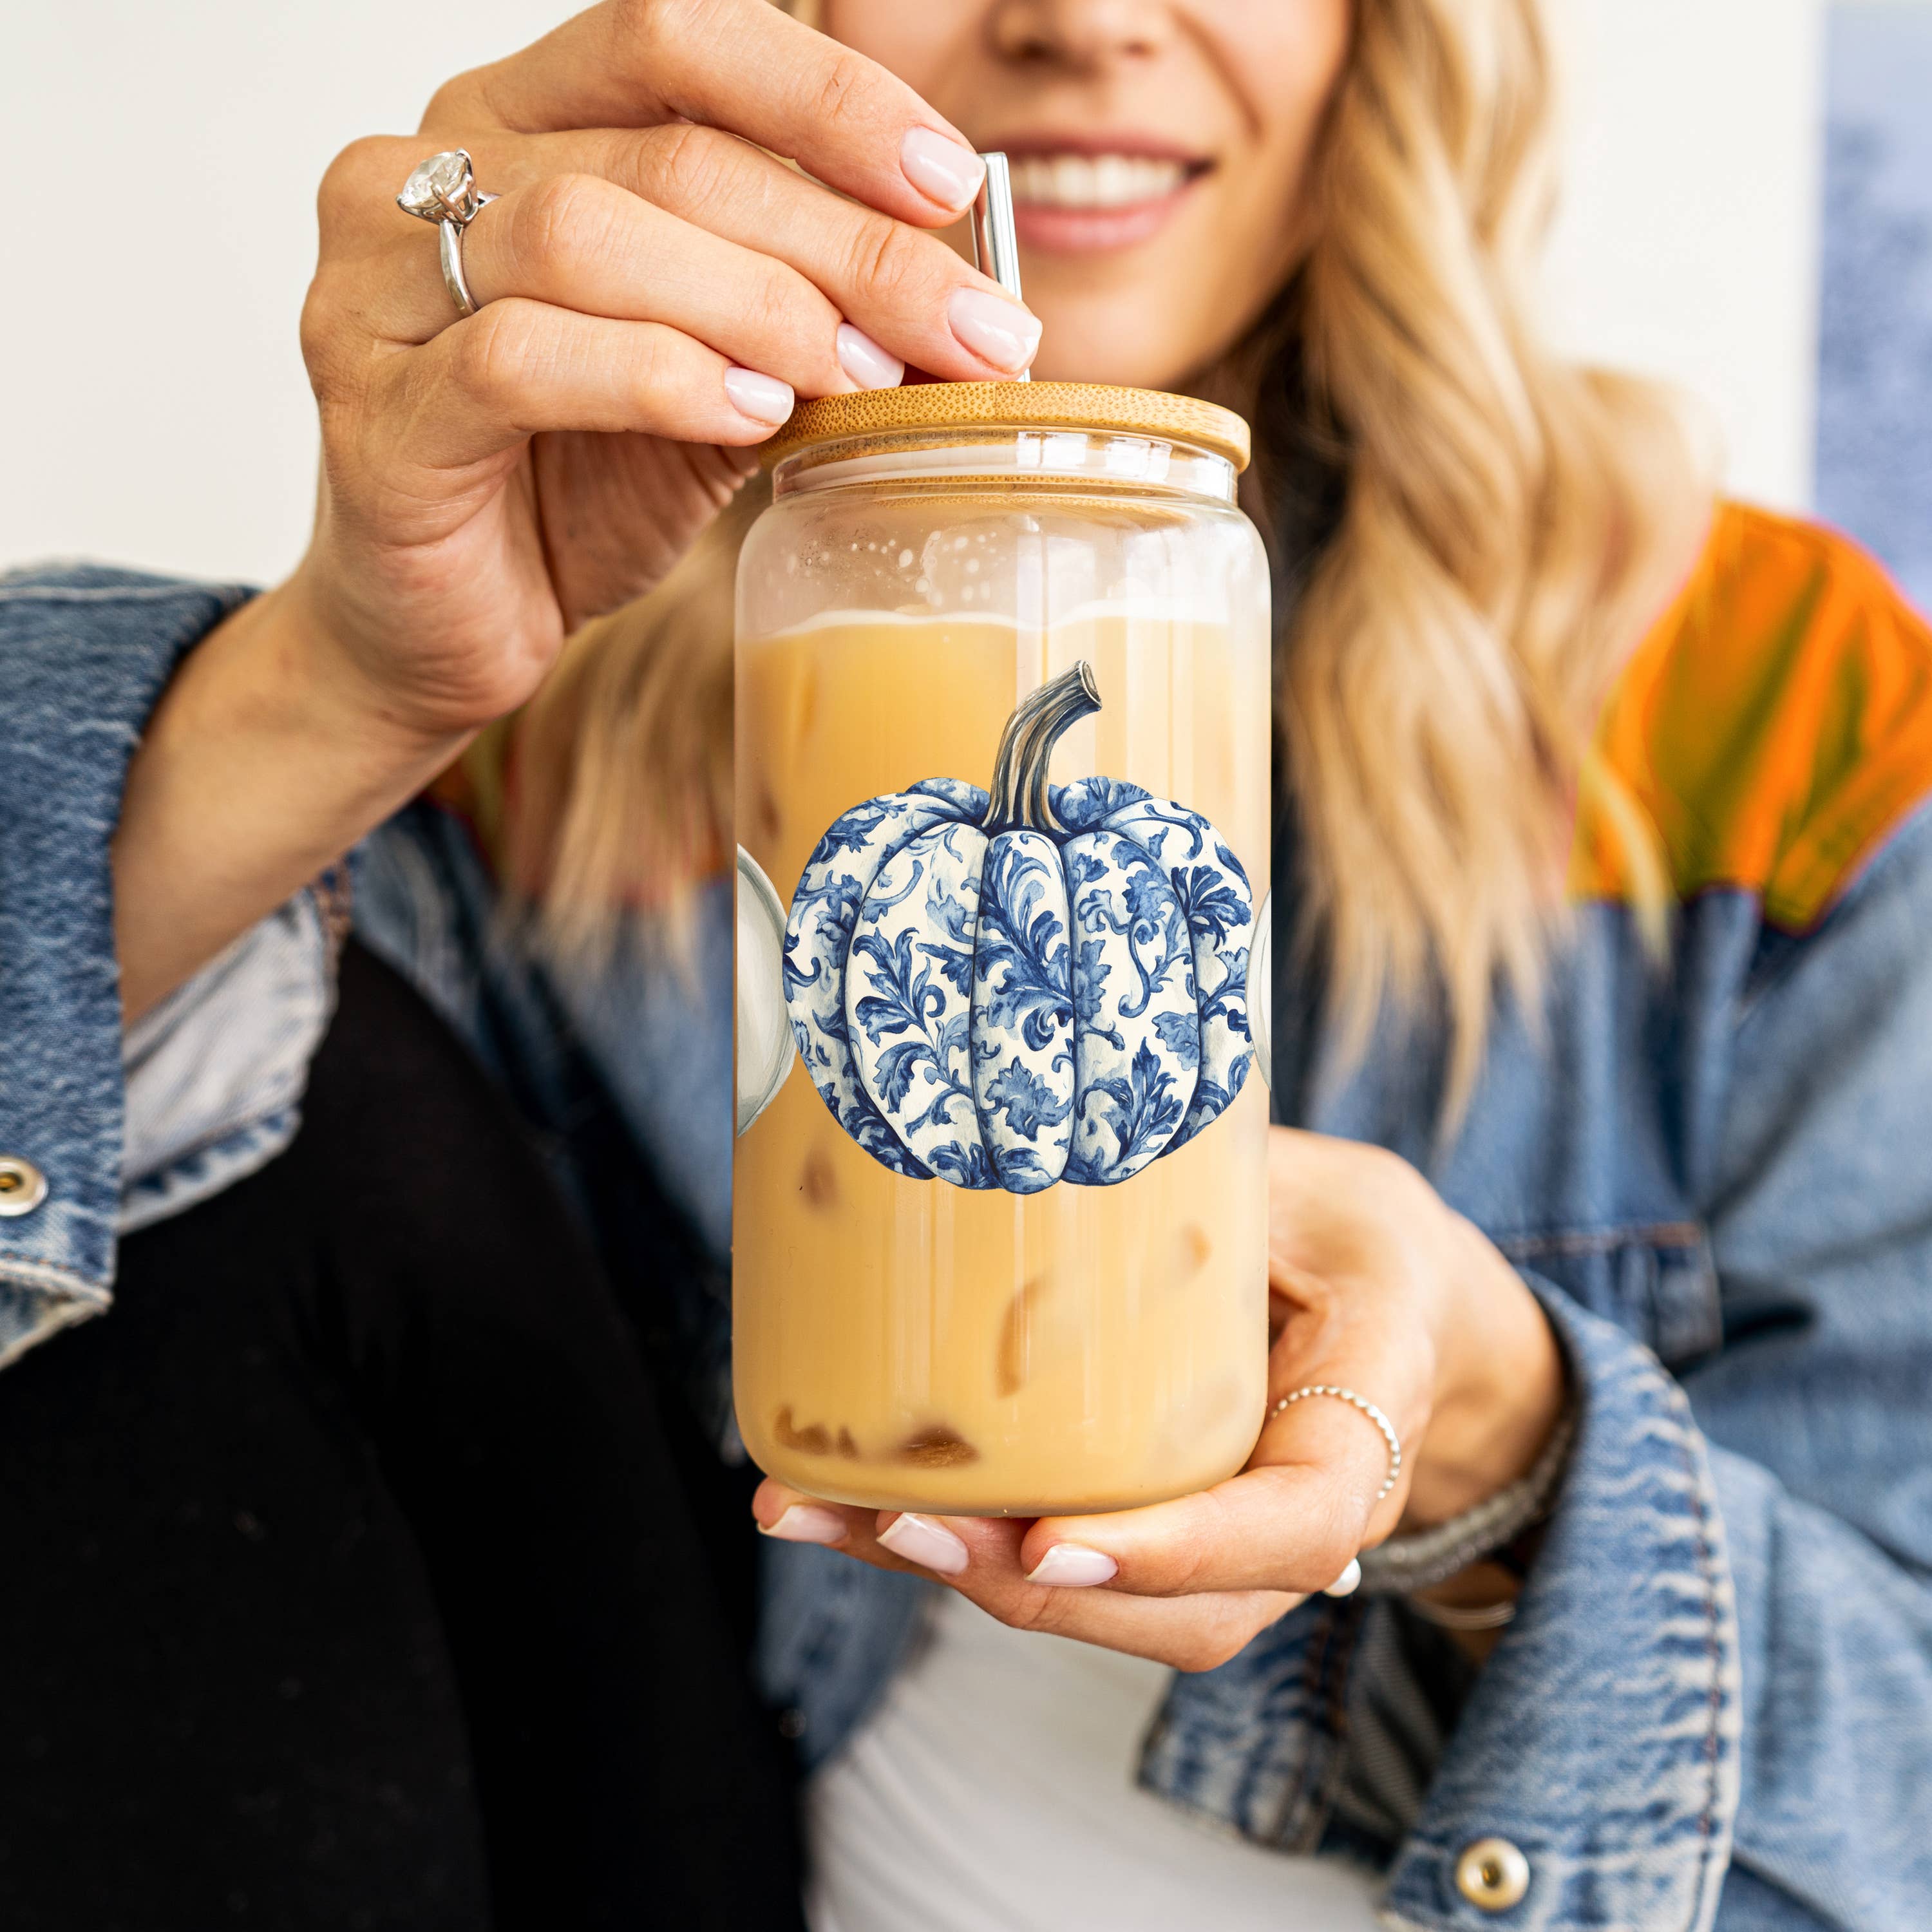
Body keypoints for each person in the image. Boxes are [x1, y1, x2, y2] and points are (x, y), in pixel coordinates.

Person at [2, 1, 1929, 1927]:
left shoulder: (1786, 719)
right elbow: (147, 1246)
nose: (1080, 21)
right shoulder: (569, 730)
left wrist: (1505, 1432)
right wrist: (340, 681)